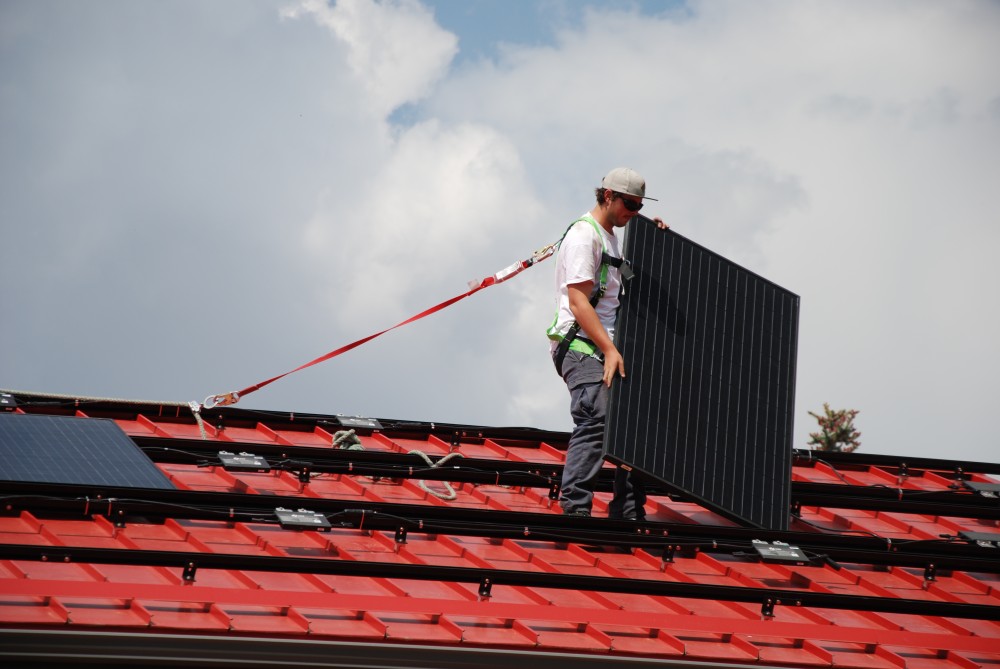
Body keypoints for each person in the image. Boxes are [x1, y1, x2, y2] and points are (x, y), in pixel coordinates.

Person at [547, 167, 667, 519]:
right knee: (597, 416)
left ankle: (629, 512)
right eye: (630, 204)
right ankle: (575, 510)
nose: (634, 212)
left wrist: (658, 242)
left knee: (634, 422)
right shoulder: (586, 237)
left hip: (608, 347)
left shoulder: (613, 235)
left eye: (640, 206)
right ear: (608, 195)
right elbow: (578, 301)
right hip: (581, 345)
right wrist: (611, 349)